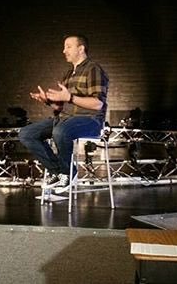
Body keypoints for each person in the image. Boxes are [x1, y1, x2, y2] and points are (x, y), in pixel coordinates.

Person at [19, 34, 109, 190]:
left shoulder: (93, 69)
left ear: (81, 49)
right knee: (27, 133)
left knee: (60, 131)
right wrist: (47, 101)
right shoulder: (68, 74)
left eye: (68, 46)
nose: (64, 50)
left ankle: (67, 173)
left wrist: (70, 97)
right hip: (66, 119)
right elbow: (61, 108)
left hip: (90, 120)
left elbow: (98, 104)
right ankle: (57, 171)